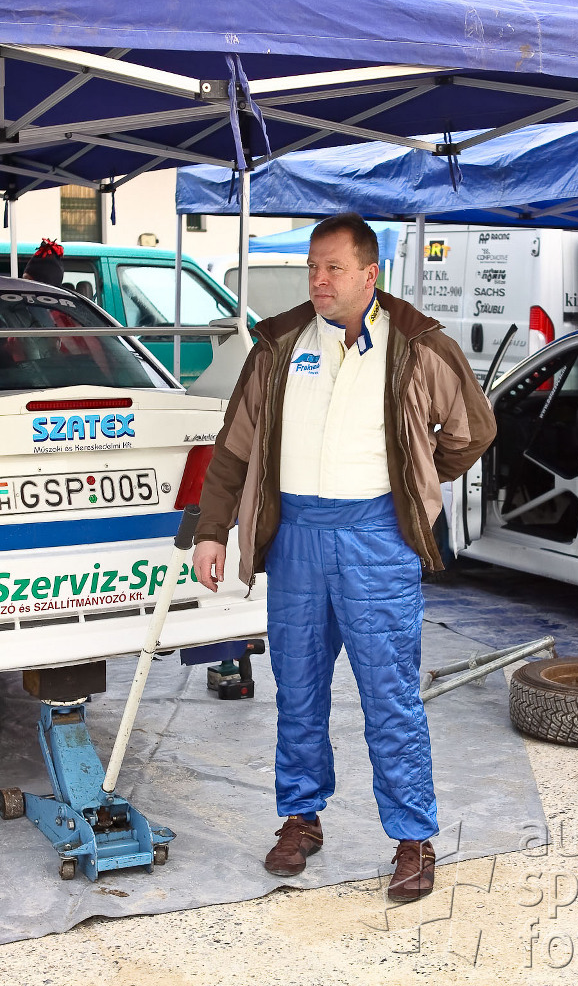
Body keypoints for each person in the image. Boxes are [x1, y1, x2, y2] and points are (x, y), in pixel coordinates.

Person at [193, 213, 496, 902]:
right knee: (297, 688)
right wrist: (212, 530)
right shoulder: (278, 346)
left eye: (333, 268)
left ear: (369, 273)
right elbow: (234, 446)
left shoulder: (419, 345)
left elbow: (473, 430)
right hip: (296, 537)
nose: (319, 280)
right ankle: (301, 818)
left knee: (389, 694)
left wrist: (418, 478)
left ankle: (413, 837)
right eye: (312, 267)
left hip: (376, 538)